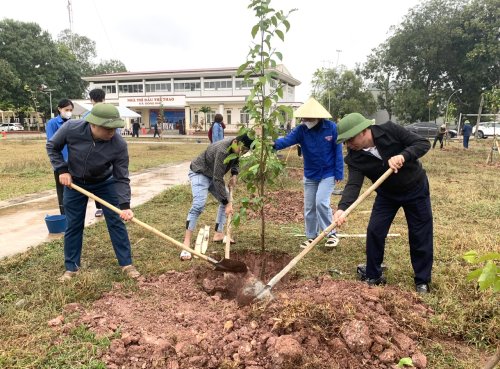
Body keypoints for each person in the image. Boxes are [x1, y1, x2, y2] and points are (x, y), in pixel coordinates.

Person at [333, 112, 433, 294]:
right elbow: (353, 184)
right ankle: (373, 275)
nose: (348, 145)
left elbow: (422, 143)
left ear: (363, 131)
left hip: (415, 188)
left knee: (420, 233)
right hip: (387, 195)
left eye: (350, 139)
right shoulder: (354, 157)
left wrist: (403, 155)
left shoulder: (389, 130)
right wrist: (342, 209)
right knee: (375, 231)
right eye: (345, 142)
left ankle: (422, 280)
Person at [46, 103, 140, 282]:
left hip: (105, 183)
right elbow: (52, 147)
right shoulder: (71, 128)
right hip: (75, 183)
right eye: (107, 128)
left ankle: (126, 264)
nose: (111, 132)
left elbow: (121, 177)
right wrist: (62, 170)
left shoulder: (118, 144)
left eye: (115, 128)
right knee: (73, 224)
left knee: (116, 222)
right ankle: (71, 267)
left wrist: (125, 205)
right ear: (93, 124)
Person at [273, 97, 344, 249]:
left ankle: (331, 234)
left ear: (318, 117)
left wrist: (339, 172)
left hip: (328, 172)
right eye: (304, 118)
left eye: (309, 118)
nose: (306, 120)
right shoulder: (301, 130)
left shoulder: (331, 128)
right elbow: (286, 141)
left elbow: (338, 151)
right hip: (310, 173)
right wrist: (271, 144)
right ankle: (311, 236)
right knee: (310, 206)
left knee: (321, 202)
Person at [181, 134, 254, 260]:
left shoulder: (236, 147)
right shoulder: (222, 150)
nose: (242, 153)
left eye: (245, 151)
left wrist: (234, 174)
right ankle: (186, 244)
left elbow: (236, 160)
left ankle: (218, 234)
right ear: (236, 142)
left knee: (226, 200)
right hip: (200, 172)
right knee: (199, 205)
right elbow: (217, 178)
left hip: (213, 175)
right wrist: (227, 203)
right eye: (242, 150)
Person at [45, 99, 74, 215]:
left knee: (74, 189)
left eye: (71, 110)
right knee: (62, 190)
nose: (69, 112)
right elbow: (51, 144)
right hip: (61, 163)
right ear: (59, 109)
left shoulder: (73, 123)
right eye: (66, 110)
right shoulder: (52, 123)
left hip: (74, 162)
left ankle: (74, 213)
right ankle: (64, 214)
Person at [84, 88, 107, 217]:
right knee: (103, 181)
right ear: (104, 98)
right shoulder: (88, 115)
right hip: (105, 154)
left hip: (92, 154)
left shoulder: (86, 115)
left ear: (91, 99)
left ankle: (101, 206)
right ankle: (102, 206)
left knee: (98, 181)